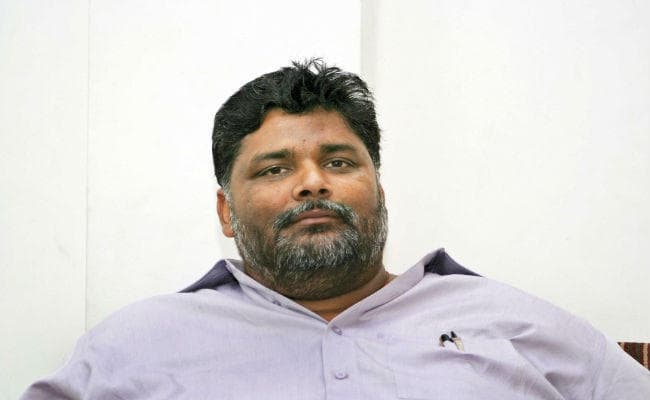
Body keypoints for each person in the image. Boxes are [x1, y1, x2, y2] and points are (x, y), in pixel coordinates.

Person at [22, 59, 650, 399]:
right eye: (275, 168)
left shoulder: (515, 323)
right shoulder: (136, 342)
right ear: (225, 213)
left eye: (341, 162)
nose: (312, 182)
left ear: (379, 191)